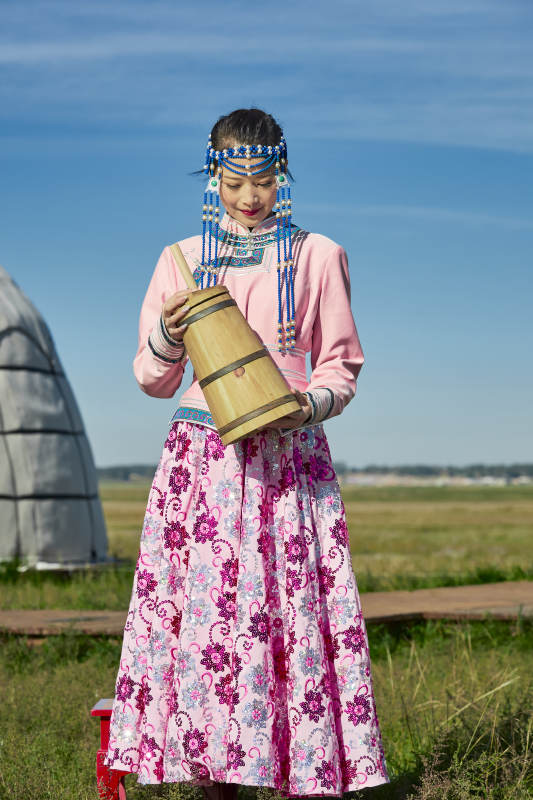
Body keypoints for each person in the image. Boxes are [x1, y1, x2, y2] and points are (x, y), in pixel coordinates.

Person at [105, 108, 389, 799]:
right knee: (205, 620)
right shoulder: (179, 259)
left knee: (288, 612)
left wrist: (306, 407)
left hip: (287, 455)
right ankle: (213, 780)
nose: (248, 196)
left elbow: (340, 368)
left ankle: (297, 770)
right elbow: (151, 379)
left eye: (262, 180)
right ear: (213, 179)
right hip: (200, 462)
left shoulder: (318, 255)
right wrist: (170, 338)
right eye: (232, 182)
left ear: (281, 175)